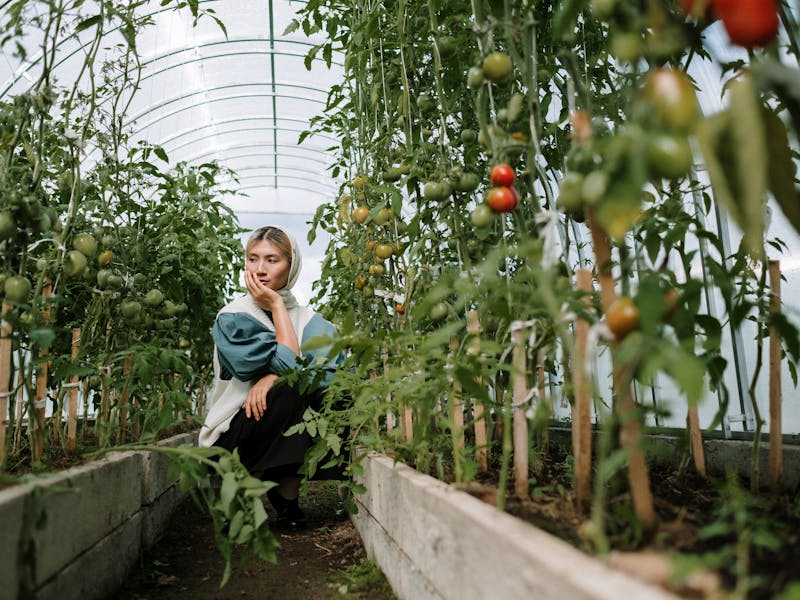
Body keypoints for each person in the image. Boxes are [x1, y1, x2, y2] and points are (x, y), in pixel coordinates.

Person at [199, 225, 344, 528]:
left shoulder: (312, 322)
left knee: (320, 395)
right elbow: (290, 369)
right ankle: (241, 494)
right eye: (252, 259)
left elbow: (335, 378)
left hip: (285, 426)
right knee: (288, 391)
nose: (260, 270)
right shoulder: (234, 317)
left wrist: (273, 377)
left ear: (292, 266)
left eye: (272, 260)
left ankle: (285, 496)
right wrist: (277, 305)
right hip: (235, 432)